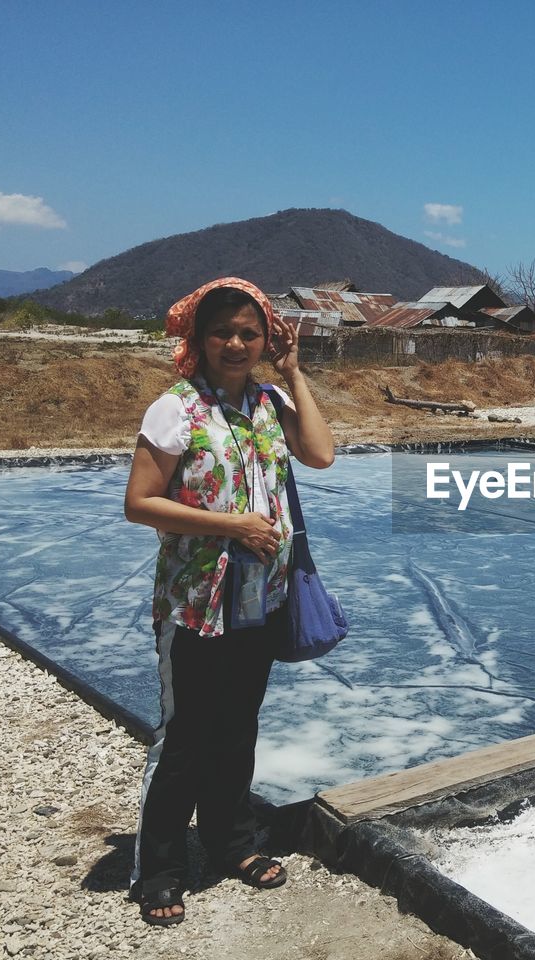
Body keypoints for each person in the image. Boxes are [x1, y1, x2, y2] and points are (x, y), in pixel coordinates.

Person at [123, 277, 335, 926]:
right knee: (187, 737)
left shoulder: (271, 402)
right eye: (223, 332)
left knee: (238, 729)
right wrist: (234, 526)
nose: (237, 343)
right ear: (199, 338)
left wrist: (294, 373)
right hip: (196, 606)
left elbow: (321, 454)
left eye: (250, 332)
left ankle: (230, 843)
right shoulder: (176, 409)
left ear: (267, 338)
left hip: (258, 603)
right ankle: (158, 870)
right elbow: (139, 503)